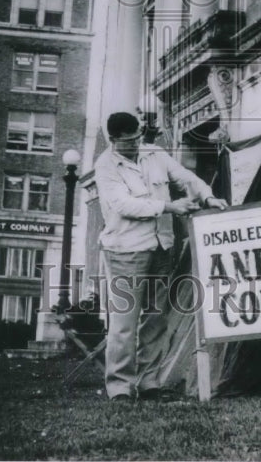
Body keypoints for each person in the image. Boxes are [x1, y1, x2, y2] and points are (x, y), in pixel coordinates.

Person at [94, 111, 227, 402]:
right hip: (125, 251)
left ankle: (148, 382)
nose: (134, 145)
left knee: (156, 319)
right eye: (127, 142)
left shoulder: (155, 153)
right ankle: (120, 387)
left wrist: (208, 197)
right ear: (113, 140)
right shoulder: (105, 166)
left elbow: (185, 178)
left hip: (161, 248)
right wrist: (169, 207)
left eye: (137, 138)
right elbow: (124, 205)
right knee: (125, 322)